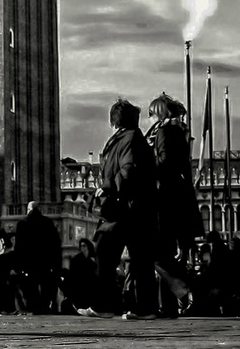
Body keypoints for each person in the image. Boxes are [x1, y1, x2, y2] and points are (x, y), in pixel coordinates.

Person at [79, 98, 157, 320]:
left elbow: (128, 170)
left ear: (114, 121)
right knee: (139, 259)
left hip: (125, 208)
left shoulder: (128, 139)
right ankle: (142, 308)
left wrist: (106, 187)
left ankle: (107, 306)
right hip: (134, 208)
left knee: (107, 253)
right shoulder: (130, 138)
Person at [145, 92, 202, 315]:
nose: (148, 118)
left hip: (166, 198)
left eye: (150, 113)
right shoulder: (178, 130)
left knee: (156, 253)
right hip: (176, 197)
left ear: (159, 113)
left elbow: (164, 162)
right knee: (165, 253)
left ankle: (183, 290)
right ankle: (168, 305)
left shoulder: (165, 131)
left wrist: (146, 165)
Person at [13, 200, 61, 314]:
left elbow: (19, 246)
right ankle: (44, 306)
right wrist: (55, 264)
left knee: (30, 287)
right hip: (45, 261)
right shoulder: (48, 222)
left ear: (28, 210)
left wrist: (18, 265)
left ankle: (34, 307)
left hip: (29, 262)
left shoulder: (23, 223)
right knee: (45, 286)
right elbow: (55, 244)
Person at [65, 238, 98, 312]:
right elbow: (72, 274)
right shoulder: (76, 259)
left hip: (91, 284)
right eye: (81, 246)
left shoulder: (93, 258)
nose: (83, 248)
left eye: (84, 246)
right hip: (80, 285)